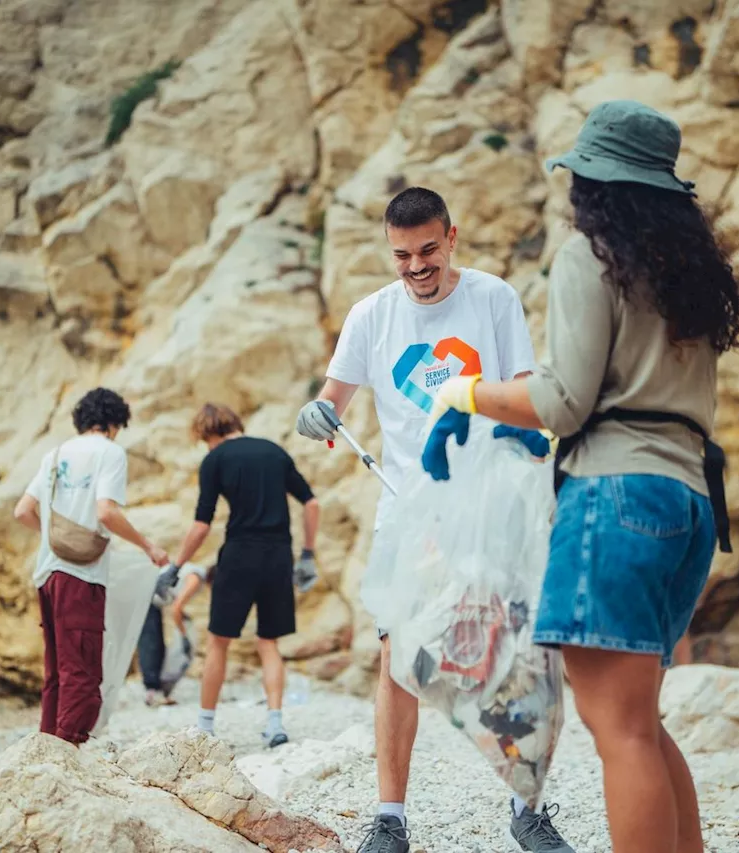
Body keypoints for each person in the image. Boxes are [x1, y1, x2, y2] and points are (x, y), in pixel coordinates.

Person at [422, 100, 739, 853]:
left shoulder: (590, 254)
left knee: (619, 731)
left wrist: (464, 393)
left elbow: (564, 401)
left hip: (613, 499)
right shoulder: (686, 270)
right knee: (641, 723)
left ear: (592, 183)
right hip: (688, 500)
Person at [294, 187, 576, 853]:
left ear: (452, 237)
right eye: (401, 255)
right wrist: (319, 413)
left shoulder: (494, 299)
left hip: (491, 503)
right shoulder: (370, 316)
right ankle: (389, 819)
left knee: (511, 650)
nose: (416, 266)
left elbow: (525, 390)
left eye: (427, 250)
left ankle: (526, 808)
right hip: (407, 507)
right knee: (398, 656)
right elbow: (332, 399)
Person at [12, 387, 171, 746]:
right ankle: (69, 750)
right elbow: (106, 512)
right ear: (114, 424)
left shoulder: (53, 454)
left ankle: (46, 747)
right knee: (82, 669)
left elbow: (22, 511)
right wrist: (149, 546)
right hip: (81, 575)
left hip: (47, 571)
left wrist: (55, 534)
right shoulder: (109, 452)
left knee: (56, 669)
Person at [167, 403, 320, 748]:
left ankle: (205, 727)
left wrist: (176, 566)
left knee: (219, 641)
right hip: (279, 555)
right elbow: (311, 503)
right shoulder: (274, 452)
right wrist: (308, 555)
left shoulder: (216, 459)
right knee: (269, 642)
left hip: (239, 556)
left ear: (209, 433)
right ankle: (275, 723)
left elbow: (202, 525)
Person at [136, 561, 211, 706]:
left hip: (153, 597)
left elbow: (176, 599)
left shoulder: (194, 572)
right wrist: (184, 636)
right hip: (145, 596)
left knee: (155, 642)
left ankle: (158, 689)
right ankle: (153, 691)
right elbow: (175, 608)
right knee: (151, 643)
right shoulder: (196, 578)